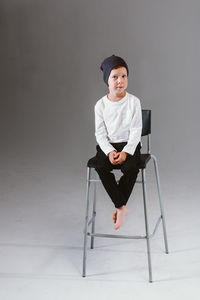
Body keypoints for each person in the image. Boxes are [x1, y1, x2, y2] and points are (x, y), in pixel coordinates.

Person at [94, 54, 142, 230]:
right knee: (100, 166)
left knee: (131, 168)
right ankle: (121, 207)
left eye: (124, 76)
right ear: (107, 80)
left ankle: (119, 205)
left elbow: (136, 131)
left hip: (129, 145)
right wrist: (109, 152)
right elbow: (100, 133)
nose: (120, 81)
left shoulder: (134, 102)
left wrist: (126, 152)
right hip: (109, 146)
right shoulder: (100, 105)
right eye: (115, 77)